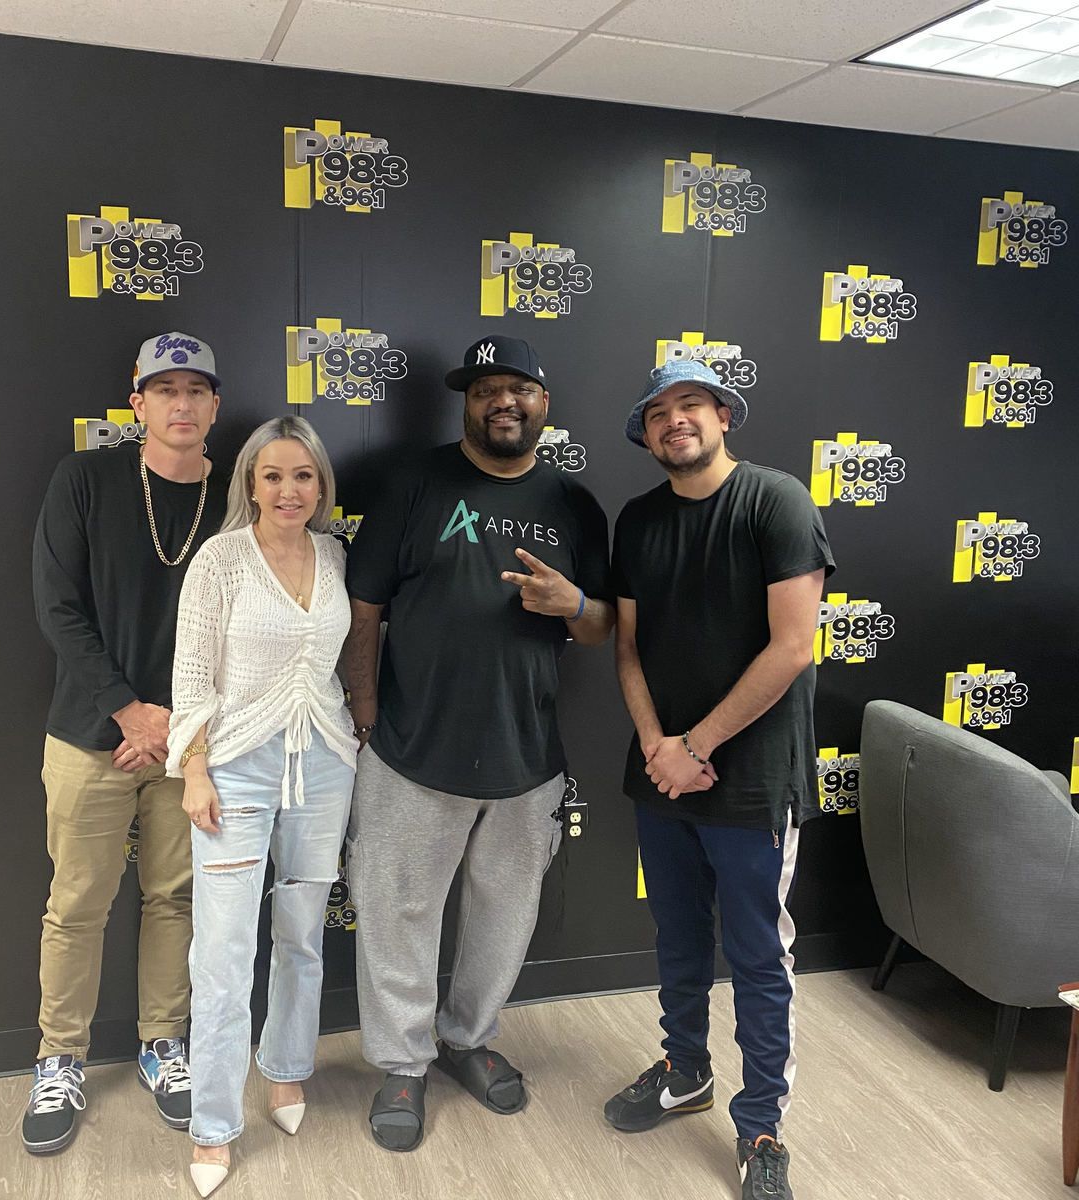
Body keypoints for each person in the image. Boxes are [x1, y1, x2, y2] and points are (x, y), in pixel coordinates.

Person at [344, 335, 614, 1152]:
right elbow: (365, 607)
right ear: (466, 402)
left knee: (504, 913)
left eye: (518, 387)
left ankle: (468, 1038)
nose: (503, 401)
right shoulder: (414, 484)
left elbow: (602, 627)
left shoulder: (575, 505)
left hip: (525, 755)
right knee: (397, 910)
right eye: (486, 388)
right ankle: (402, 1062)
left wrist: (574, 604)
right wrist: (364, 706)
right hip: (411, 745)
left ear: (544, 404)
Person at [602, 359, 834, 1200]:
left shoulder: (777, 501)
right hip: (663, 774)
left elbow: (793, 645)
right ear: (646, 434)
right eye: (658, 411)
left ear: (723, 414)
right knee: (677, 936)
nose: (675, 420)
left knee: (759, 955)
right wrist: (658, 745)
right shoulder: (637, 520)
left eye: (691, 404)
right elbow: (628, 647)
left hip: (751, 782)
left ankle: (761, 1124)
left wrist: (695, 745)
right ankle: (686, 1069)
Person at [23, 333, 227, 1155]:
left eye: (196, 389)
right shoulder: (84, 479)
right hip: (89, 738)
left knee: (175, 899)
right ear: (137, 402)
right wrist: (127, 711)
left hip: (192, 745)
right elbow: (57, 607)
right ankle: (59, 1058)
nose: (182, 403)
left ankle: (162, 1044)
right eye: (165, 389)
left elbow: (242, 628)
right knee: (76, 906)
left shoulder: (237, 497)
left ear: (214, 404)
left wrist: (172, 725)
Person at [168, 416, 358, 1198]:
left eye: (304, 476)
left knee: (302, 932)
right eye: (274, 475)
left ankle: (284, 1070)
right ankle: (212, 1126)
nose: (289, 490)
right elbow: (191, 673)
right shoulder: (220, 560)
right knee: (221, 954)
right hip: (236, 770)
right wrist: (195, 770)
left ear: (321, 485)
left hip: (324, 764)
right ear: (250, 482)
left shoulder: (333, 554)